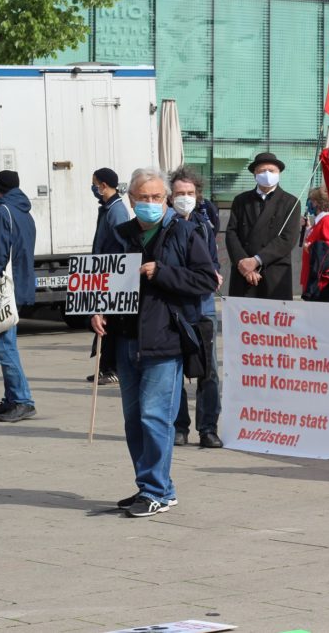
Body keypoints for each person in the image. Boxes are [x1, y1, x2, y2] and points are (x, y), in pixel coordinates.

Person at [91, 168, 217, 517]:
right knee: (134, 420)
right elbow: (101, 277)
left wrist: (161, 272)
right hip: (127, 339)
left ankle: (156, 490)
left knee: (154, 417)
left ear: (166, 199)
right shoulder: (121, 234)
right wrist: (97, 310)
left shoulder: (185, 232)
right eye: (143, 197)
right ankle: (151, 485)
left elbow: (206, 279)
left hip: (166, 339)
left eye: (157, 197)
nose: (150, 203)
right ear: (131, 199)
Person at [168, 166, 224, 449]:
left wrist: (215, 272)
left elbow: (212, 263)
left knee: (209, 370)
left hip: (202, 307)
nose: (185, 198)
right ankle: (179, 428)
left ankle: (208, 428)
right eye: (180, 193)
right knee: (175, 370)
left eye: (189, 193)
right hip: (172, 309)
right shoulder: (164, 225)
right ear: (170, 195)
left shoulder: (204, 224)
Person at [0, 170, 38, 423]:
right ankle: (12, 399)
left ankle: (22, 400)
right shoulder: (24, 212)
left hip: (2, 288)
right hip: (19, 285)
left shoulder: (2, 212)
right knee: (6, 343)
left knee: (4, 347)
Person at [225, 152, 302, 300]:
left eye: (271, 171)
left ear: (279, 173)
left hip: (274, 274)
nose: (267, 174)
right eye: (261, 170)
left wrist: (256, 261)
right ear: (254, 173)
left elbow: (288, 238)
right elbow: (231, 233)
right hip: (244, 274)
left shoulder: (291, 202)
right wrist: (244, 264)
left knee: (275, 321)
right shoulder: (241, 200)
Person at [88, 167, 130, 386]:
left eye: (95, 183)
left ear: (104, 185)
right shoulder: (107, 209)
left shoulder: (116, 211)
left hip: (113, 274)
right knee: (102, 321)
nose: (93, 188)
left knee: (111, 323)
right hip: (103, 272)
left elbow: (123, 245)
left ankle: (111, 368)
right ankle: (104, 366)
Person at [300, 186, 329, 303]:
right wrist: (309, 228)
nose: (310, 203)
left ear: (317, 203)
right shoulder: (319, 222)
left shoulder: (328, 221)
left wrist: (309, 247)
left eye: (312, 200)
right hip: (315, 278)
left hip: (322, 282)